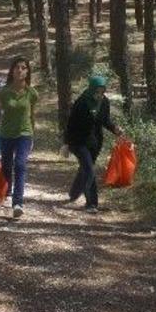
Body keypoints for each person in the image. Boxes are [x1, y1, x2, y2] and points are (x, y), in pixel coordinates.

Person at [63, 75, 124, 213]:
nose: (100, 94)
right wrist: (66, 143)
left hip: (95, 142)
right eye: (98, 91)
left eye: (103, 91)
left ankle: (74, 193)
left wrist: (115, 129)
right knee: (90, 170)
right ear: (91, 89)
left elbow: (105, 121)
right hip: (78, 142)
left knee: (85, 169)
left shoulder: (105, 102)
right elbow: (70, 124)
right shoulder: (81, 102)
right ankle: (91, 203)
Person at [0, 56, 38, 218]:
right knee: (6, 166)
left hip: (24, 134)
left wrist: (32, 137)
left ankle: (18, 202)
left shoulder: (32, 93)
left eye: (23, 68)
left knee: (20, 165)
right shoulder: (3, 92)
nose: (20, 70)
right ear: (12, 71)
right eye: (17, 67)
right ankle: (7, 190)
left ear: (27, 72)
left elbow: (32, 116)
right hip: (6, 135)